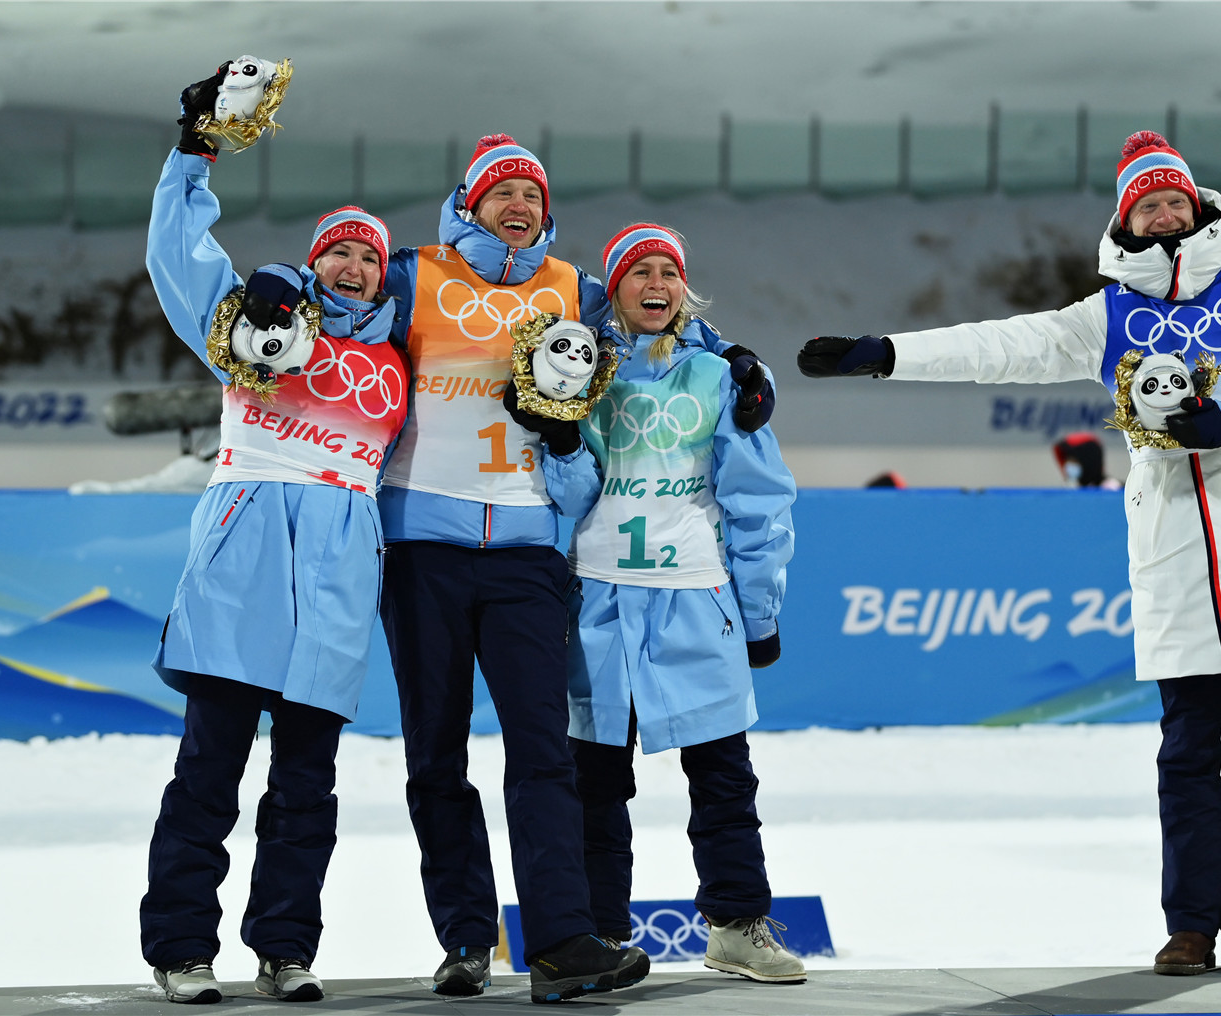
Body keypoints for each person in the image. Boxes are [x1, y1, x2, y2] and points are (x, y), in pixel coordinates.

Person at [799, 131, 1221, 979]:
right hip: (1179, 562)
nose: (1164, 213)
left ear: (1199, 206)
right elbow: (999, 347)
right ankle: (1192, 927)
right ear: (1127, 221)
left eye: (1175, 199)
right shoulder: (1107, 314)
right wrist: (889, 355)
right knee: (1187, 753)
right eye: (1147, 204)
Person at [140, 65, 409, 1004]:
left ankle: (286, 947)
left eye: (368, 259)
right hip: (239, 569)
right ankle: (182, 948)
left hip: (335, 588)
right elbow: (177, 253)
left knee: (306, 793)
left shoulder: (399, 361)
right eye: (338, 253)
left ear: (384, 275)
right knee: (207, 775)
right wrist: (196, 148)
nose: (352, 268)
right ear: (314, 260)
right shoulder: (252, 327)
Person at [370, 134, 652, 1004]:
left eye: (531, 193)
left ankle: (562, 942)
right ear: (469, 203)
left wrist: (736, 357)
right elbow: (324, 308)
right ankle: (463, 939)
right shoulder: (411, 273)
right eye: (502, 193)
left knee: (545, 755)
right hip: (424, 549)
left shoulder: (574, 286)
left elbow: (659, 319)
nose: (519, 205)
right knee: (435, 756)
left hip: (530, 552)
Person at [564, 224, 805, 983]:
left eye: (669, 270)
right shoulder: (579, 370)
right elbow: (563, 495)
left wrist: (760, 615)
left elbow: (758, 502)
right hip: (598, 605)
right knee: (594, 784)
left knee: (724, 774)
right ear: (616, 289)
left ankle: (737, 925)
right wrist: (559, 426)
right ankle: (598, 934)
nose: (656, 283)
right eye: (639, 272)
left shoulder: (723, 376)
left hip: (694, 600)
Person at [1053, 432, 1121, 489]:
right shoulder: (1072, 489)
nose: (1068, 465)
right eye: (1067, 461)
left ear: (1088, 462)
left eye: (1074, 461)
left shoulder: (1112, 488)